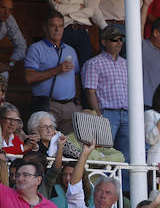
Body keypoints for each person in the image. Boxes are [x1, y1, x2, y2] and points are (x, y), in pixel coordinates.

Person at [24, 11, 80, 134]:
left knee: (69, 143)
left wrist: (77, 101)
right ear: (45, 28)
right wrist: (57, 70)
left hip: (70, 106)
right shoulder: (36, 49)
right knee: (45, 142)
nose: (57, 29)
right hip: (48, 105)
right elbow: (29, 77)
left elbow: (75, 77)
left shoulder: (70, 50)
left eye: (60, 26)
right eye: (53, 25)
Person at [82, 23, 129, 154]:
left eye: (121, 39)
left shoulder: (126, 63)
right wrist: (99, 115)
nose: (119, 43)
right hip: (106, 114)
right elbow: (90, 92)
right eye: (115, 39)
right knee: (104, 152)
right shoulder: (93, 63)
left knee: (127, 154)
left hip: (126, 113)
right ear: (104, 42)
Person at [0, 0, 27, 75]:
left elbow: (21, 46)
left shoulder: (9, 19)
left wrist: (10, 63)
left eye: (10, 10)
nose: (6, 13)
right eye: (3, 8)